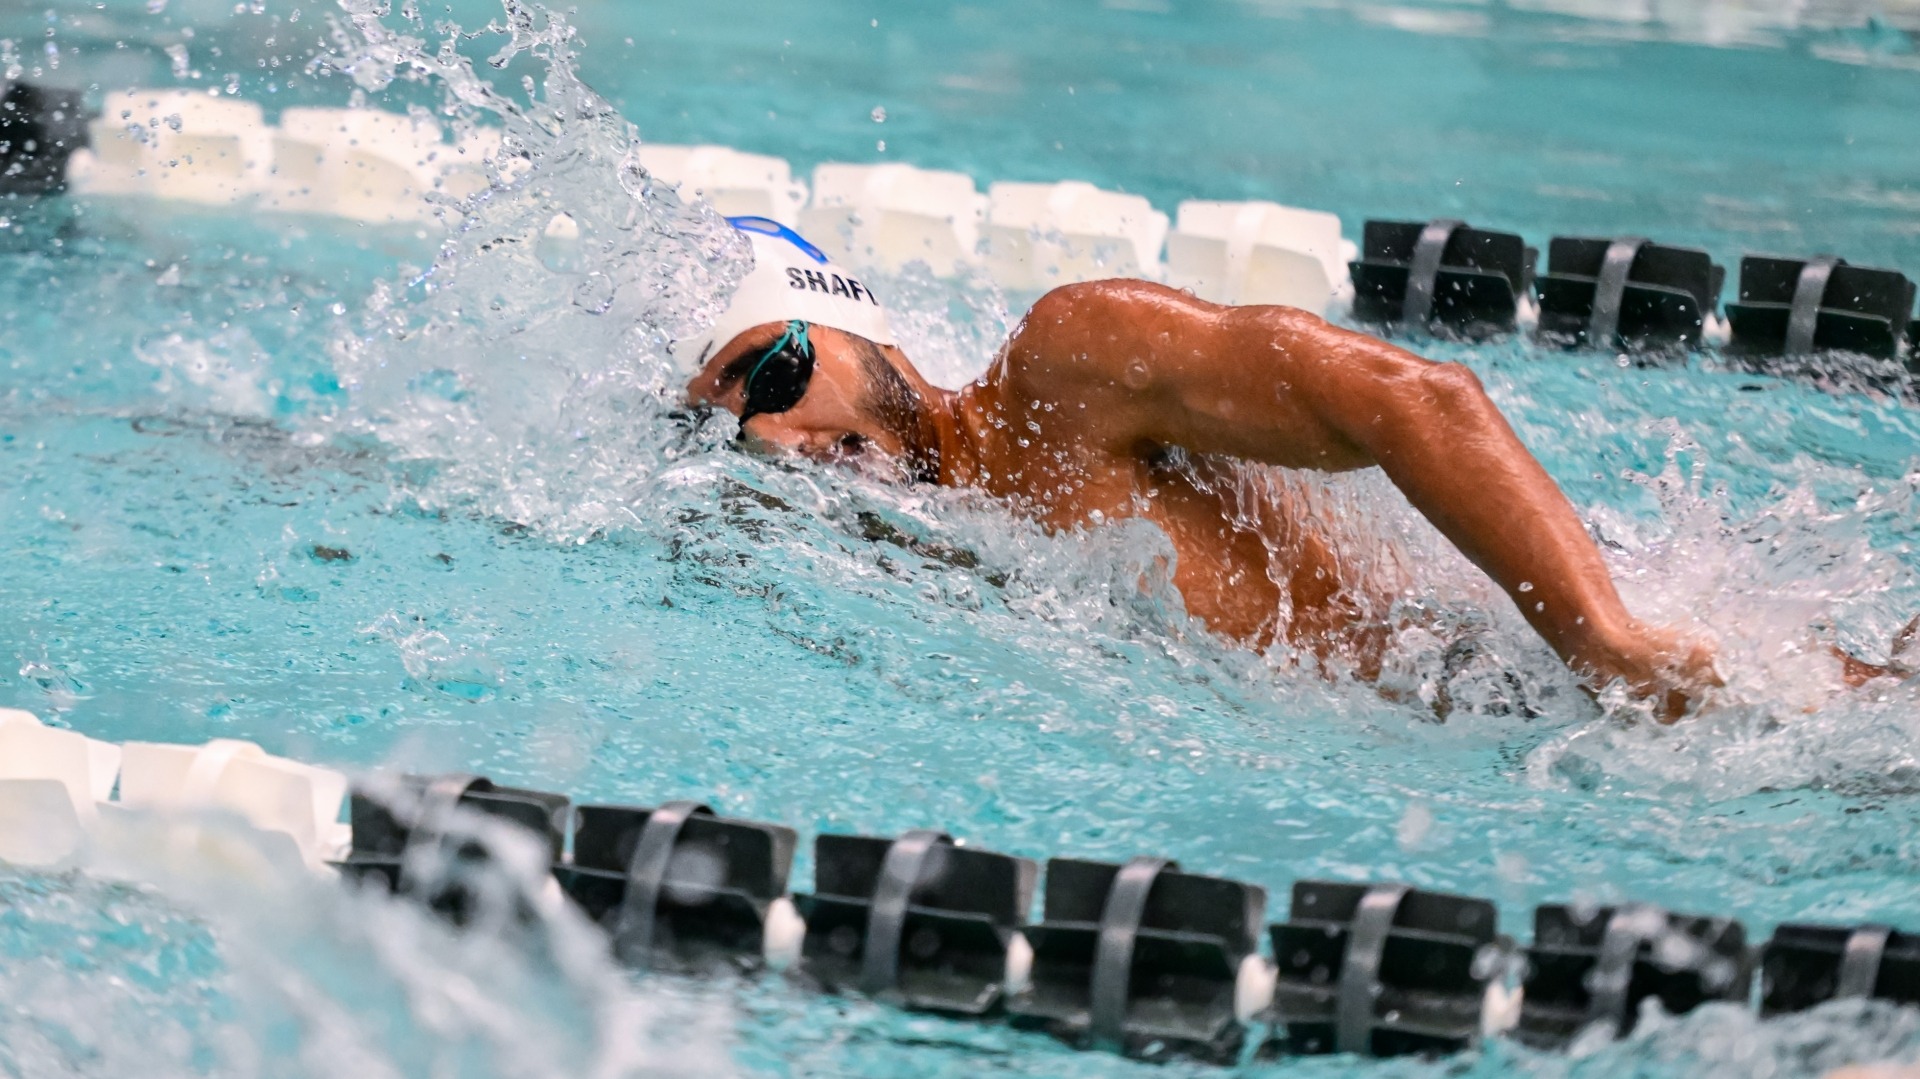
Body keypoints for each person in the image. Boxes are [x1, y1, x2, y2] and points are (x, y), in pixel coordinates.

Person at [676, 217, 1885, 722]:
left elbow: (1417, 396)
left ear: (845, 319)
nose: (774, 436)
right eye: (737, 425)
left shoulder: (1065, 366)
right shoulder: (919, 549)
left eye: (770, 373)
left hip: (1567, 669)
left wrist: (1607, 640)